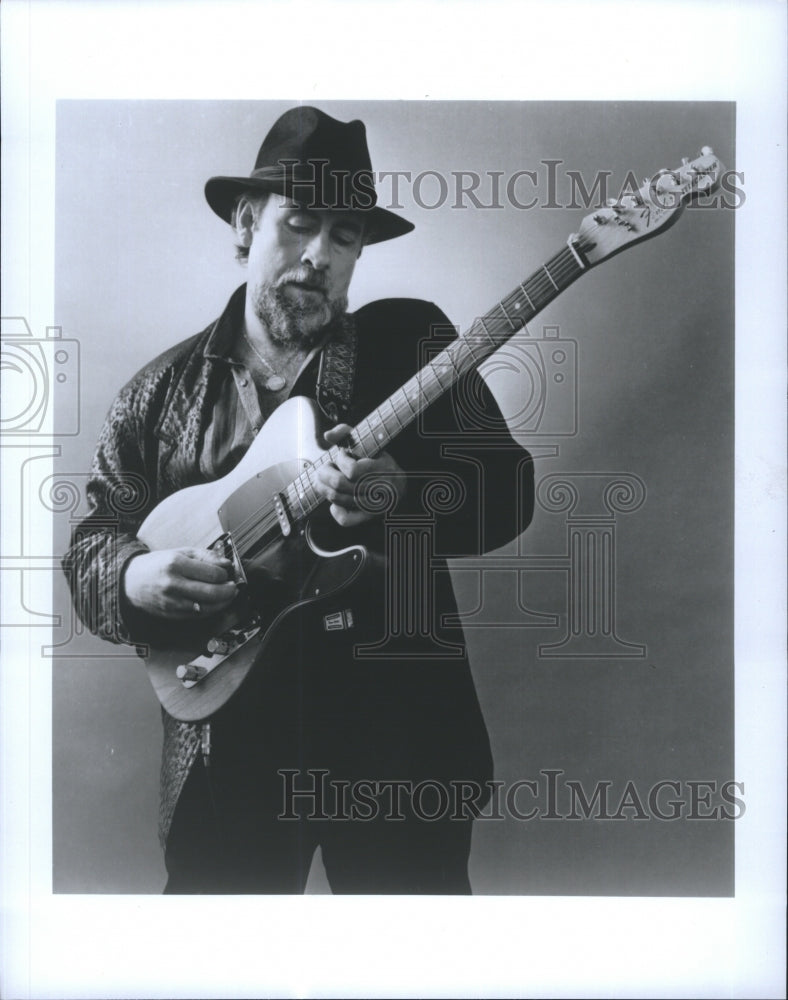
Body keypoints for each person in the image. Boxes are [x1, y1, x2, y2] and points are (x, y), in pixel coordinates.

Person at [64, 106, 534, 894]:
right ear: (248, 224)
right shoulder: (157, 393)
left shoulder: (412, 342)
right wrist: (130, 578)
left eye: (344, 235)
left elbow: (508, 493)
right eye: (299, 223)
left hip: (398, 735)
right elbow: (92, 542)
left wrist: (399, 495)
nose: (319, 255)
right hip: (226, 745)